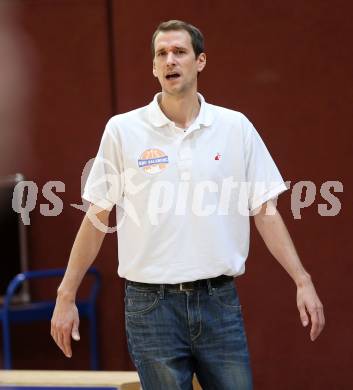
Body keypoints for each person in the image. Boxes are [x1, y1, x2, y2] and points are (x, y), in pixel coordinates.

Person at [51, 20, 325, 390]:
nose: (170, 60)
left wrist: (302, 279)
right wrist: (66, 296)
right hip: (151, 306)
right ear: (153, 67)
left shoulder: (235, 127)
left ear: (200, 61)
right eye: (161, 54)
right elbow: (96, 218)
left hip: (218, 300)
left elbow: (265, 210)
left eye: (179, 51)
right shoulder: (122, 130)